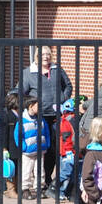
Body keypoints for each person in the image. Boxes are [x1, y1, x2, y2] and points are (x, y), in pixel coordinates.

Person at [20, 46, 72, 195]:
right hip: (39, 116)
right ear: (37, 56)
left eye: (48, 54)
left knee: (54, 148)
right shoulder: (29, 73)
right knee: (39, 149)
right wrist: (32, 105)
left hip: (56, 116)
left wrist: (63, 98)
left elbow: (68, 85)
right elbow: (22, 92)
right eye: (43, 54)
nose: (46, 57)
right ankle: (33, 184)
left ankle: (48, 180)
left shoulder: (57, 69)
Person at [16, 97, 50, 200]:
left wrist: (47, 144)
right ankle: (25, 189)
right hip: (28, 151)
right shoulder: (22, 120)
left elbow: (46, 132)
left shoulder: (41, 119)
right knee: (27, 170)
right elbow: (18, 135)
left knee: (40, 170)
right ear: (31, 106)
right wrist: (23, 147)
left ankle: (39, 188)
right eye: (38, 106)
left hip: (40, 149)